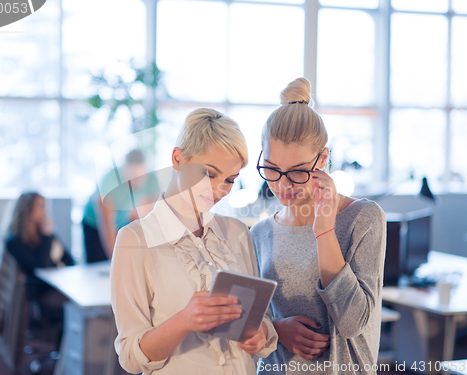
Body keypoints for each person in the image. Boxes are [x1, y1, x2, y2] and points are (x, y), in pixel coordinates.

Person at [110, 108, 278, 375]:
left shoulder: (237, 233)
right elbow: (131, 356)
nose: (220, 190)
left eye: (230, 180)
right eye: (209, 174)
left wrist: (261, 335)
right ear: (178, 158)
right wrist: (184, 321)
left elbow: (263, 321)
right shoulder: (135, 240)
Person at [251, 78, 386, 375]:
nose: (282, 185)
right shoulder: (259, 234)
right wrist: (276, 328)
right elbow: (247, 324)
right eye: (272, 170)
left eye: (297, 172)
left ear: (323, 158)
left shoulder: (363, 218)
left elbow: (353, 323)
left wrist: (324, 231)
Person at [5, 192, 74, 324]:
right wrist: (46, 236)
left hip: (60, 284)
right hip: (40, 291)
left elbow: (69, 259)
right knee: (76, 304)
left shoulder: (45, 234)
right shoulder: (15, 241)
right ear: (27, 209)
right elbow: (39, 266)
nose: (44, 211)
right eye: (40, 206)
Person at [82, 149, 159, 263]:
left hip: (121, 221)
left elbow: (153, 219)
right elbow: (107, 224)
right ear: (125, 172)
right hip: (94, 224)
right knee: (101, 264)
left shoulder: (152, 180)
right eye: (133, 176)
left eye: (141, 176)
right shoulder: (110, 181)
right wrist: (117, 263)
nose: (137, 181)